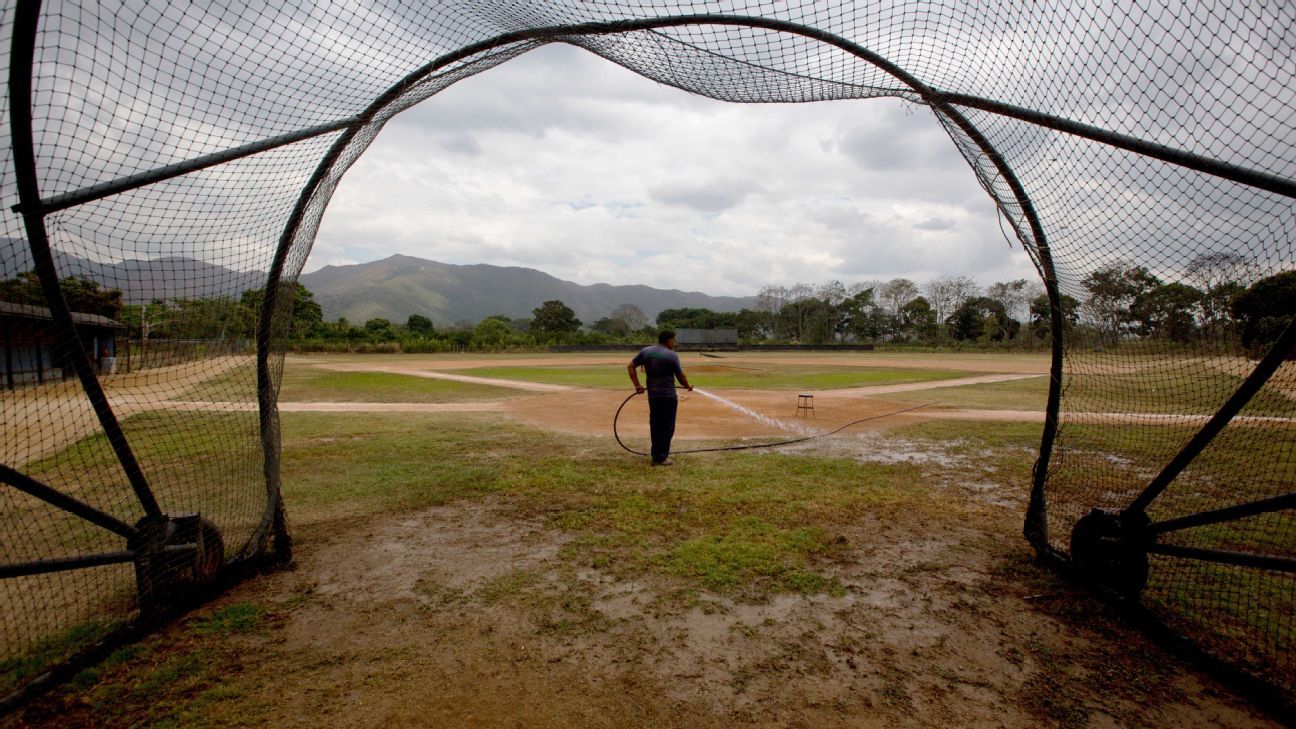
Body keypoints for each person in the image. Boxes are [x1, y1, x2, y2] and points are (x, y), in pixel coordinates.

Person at [628, 329, 692, 466]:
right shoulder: (672, 355)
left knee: (655, 425)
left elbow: (631, 366)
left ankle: (656, 454)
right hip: (668, 396)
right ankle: (661, 457)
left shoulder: (646, 351)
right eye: (673, 340)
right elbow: (681, 377)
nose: (674, 343)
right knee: (667, 426)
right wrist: (687, 386)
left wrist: (637, 385)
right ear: (668, 340)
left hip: (653, 395)